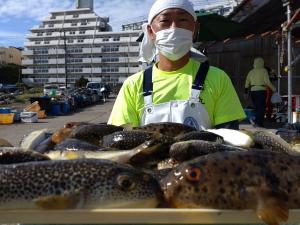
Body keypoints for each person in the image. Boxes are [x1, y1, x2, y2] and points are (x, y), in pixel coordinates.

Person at [108, 0, 245, 130]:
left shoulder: (218, 79)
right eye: (165, 21)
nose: (174, 28)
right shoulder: (133, 85)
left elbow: (229, 139)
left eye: (183, 20)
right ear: (150, 32)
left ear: (195, 28)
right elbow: (123, 141)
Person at [244, 57, 276, 127]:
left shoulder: (251, 72)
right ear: (262, 63)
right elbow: (267, 82)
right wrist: (274, 89)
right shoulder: (264, 71)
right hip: (261, 91)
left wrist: (246, 92)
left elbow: (247, 82)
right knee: (261, 108)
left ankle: (256, 121)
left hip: (252, 92)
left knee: (256, 107)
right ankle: (259, 123)